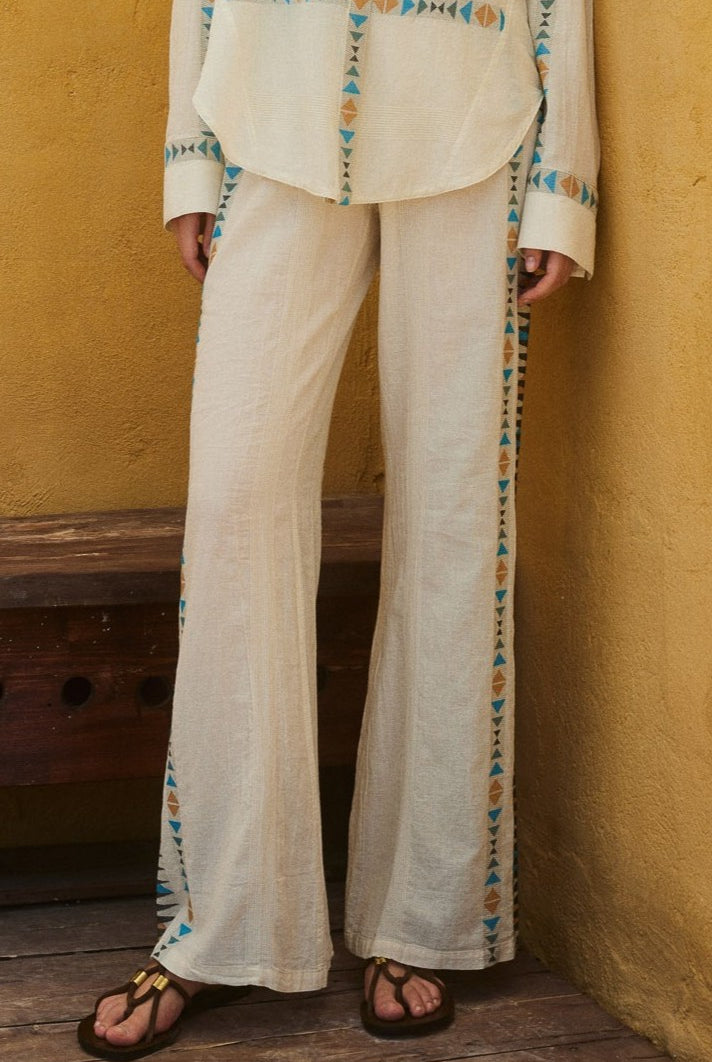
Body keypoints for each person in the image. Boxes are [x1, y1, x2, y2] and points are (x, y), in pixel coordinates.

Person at [79, 0, 599, 1056]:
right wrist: (192, 161)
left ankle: (418, 918)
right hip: (268, 116)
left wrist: (561, 187)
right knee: (235, 509)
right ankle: (220, 926)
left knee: (454, 514)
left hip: (473, 117)